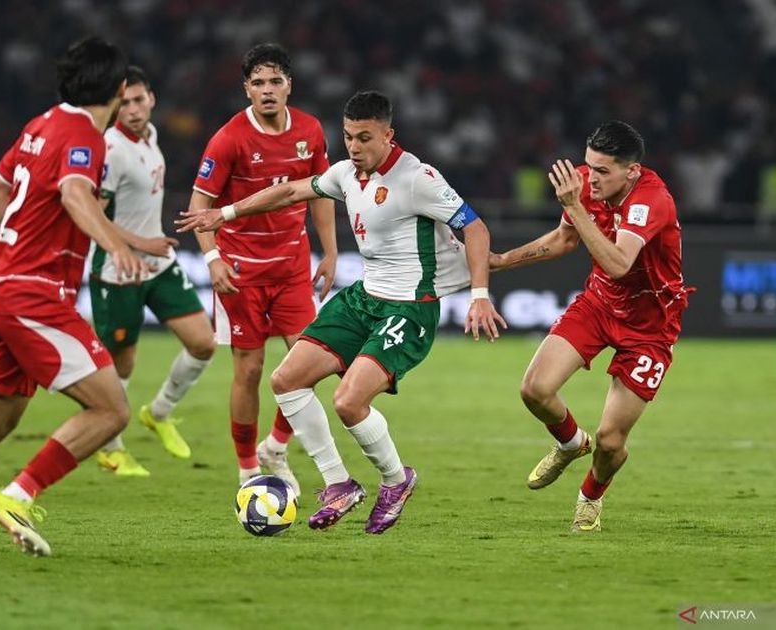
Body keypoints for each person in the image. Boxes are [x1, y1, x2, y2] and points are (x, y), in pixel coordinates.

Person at [178, 90, 506, 534]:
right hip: (363, 299)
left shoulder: (418, 178)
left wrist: (479, 294)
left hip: (408, 309)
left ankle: (396, 480)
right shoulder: (346, 174)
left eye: (364, 138)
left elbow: (476, 227)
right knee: (285, 380)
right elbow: (291, 191)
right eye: (349, 136)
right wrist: (227, 213)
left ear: (389, 136)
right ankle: (339, 484)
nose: (354, 147)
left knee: (349, 401)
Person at [0, 37, 150, 566]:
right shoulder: (86, 134)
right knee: (111, 409)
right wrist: (113, 245)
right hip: (34, 294)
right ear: (117, 88)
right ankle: (15, 497)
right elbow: (74, 192)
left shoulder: (39, 125)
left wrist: (23, 244)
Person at [488, 121, 693, 532]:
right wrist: (502, 260)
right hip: (599, 304)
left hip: (651, 326)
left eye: (602, 171)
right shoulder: (581, 183)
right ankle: (569, 442)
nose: (590, 178)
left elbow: (619, 264)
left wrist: (577, 208)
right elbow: (566, 240)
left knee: (612, 441)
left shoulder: (651, 200)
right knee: (534, 389)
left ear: (631, 171)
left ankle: (590, 496)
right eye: (588, 166)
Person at [188, 43, 337, 496]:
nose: (267, 90)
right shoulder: (228, 138)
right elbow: (199, 205)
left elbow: (320, 193)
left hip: (292, 266)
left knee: (309, 363)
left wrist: (329, 252)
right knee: (250, 371)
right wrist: (212, 259)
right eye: (258, 83)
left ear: (290, 85)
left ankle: (277, 445)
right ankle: (248, 468)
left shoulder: (310, 130)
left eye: (275, 81)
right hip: (240, 271)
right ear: (246, 89)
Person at [89, 66, 214, 477]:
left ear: (152, 99)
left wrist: (150, 245)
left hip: (157, 264)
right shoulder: (109, 149)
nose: (132, 109)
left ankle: (158, 412)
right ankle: (110, 447)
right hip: (119, 267)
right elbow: (91, 213)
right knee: (121, 365)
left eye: (138, 99)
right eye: (123, 102)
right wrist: (141, 243)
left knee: (204, 343)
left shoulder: (150, 136)